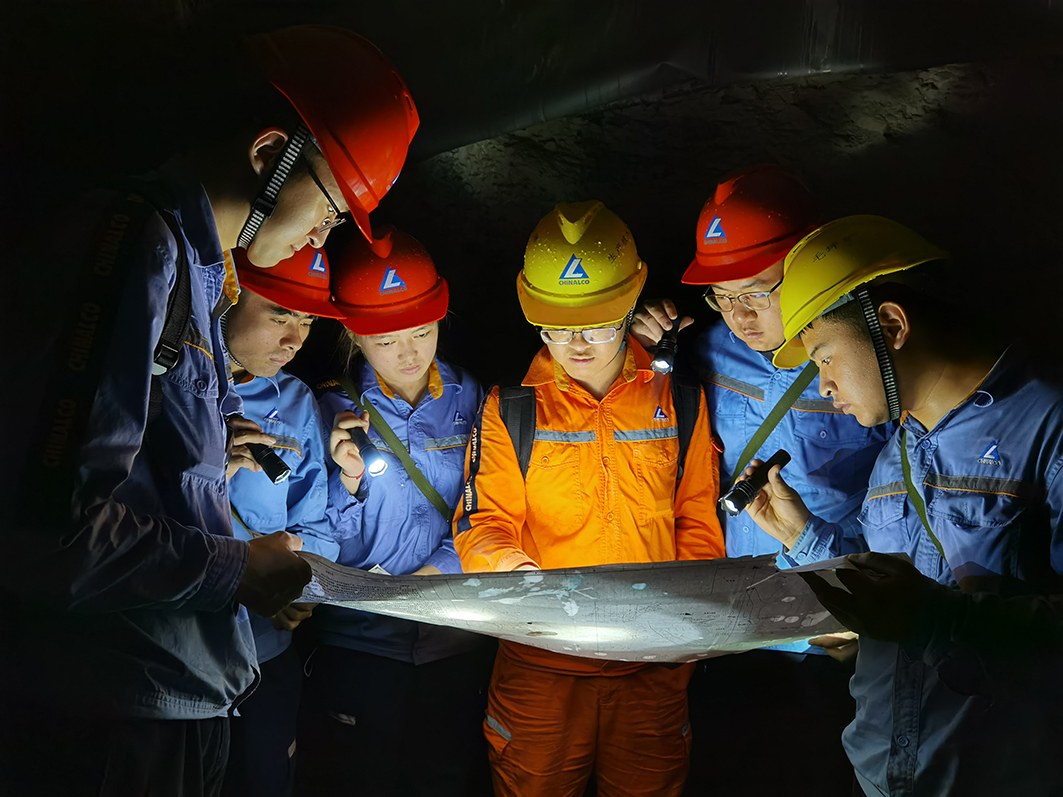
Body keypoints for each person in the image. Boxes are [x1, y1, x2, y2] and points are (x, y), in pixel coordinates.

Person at [2, 25, 419, 796]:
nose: (322, 236)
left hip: (171, 704)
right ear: (269, 156)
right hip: (113, 722)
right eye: (330, 209)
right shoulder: (132, 245)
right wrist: (238, 567)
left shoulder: (197, 271)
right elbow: (48, 526)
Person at [745, 214, 1063, 795]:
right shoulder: (897, 452)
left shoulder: (1048, 426)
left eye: (823, 356)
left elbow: (926, 610)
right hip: (884, 776)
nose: (823, 386)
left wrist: (938, 619)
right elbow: (900, 590)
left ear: (890, 325)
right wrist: (805, 537)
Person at [631, 166, 890, 795]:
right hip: (728, 628)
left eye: (758, 291)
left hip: (826, 634)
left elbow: (904, 499)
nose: (741, 313)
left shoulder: (866, 361)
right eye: (722, 295)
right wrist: (637, 348)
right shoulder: (704, 349)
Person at [453, 200, 726, 797]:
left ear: (630, 307)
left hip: (652, 670)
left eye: (598, 323)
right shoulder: (511, 408)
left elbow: (697, 519)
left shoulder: (679, 401)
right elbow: (482, 524)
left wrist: (683, 625)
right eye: (556, 326)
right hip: (541, 671)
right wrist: (525, 586)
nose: (576, 342)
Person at [295, 227, 494, 797]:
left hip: (453, 640)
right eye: (386, 340)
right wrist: (350, 481)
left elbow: (487, 509)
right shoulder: (327, 406)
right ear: (352, 334)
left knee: (445, 778)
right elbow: (319, 539)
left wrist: (436, 579)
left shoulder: (468, 397)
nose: (409, 353)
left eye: (423, 332)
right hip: (360, 646)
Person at [219, 246, 344, 797]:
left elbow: (315, 518)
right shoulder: (159, 386)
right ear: (228, 295)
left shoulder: (293, 402)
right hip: (174, 650)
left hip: (266, 652)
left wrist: (303, 584)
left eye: (307, 320)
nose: (295, 340)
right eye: (279, 315)